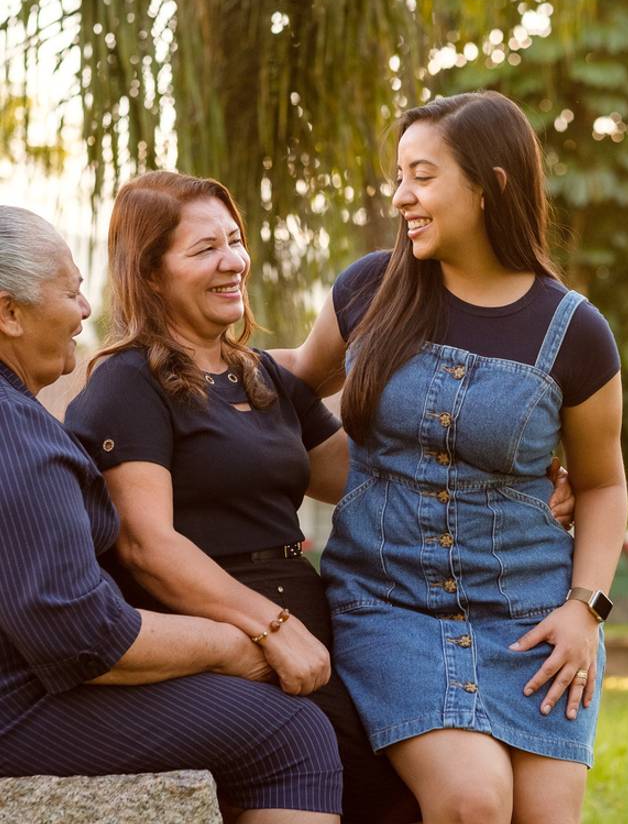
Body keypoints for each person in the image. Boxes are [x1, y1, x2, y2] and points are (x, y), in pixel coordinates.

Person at [65, 169, 574, 824]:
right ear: (151, 273)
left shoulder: (263, 377)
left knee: (451, 779)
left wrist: (528, 492)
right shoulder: (129, 383)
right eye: (204, 250)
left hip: (321, 622)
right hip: (227, 636)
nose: (233, 262)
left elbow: (375, 482)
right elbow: (146, 544)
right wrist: (273, 631)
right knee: (401, 795)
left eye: (234, 240)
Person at [274, 91, 627, 824]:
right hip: (389, 604)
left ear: (491, 184)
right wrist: (174, 366)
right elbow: (291, 380)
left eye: (423, 176)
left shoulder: (576, 332)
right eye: (399, 176)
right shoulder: (369, 290)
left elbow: (601, 485)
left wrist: (585, 610)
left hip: (534, 620)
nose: (402, 196)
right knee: (472, 799)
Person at [0, 205, 342, 824]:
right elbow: (78, 632)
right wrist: (237, 643)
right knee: (294, 737)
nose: (84, 310)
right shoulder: (19, 431)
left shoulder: (23, 419)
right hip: (17, 704)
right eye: (71, 291)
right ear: (8, 312)